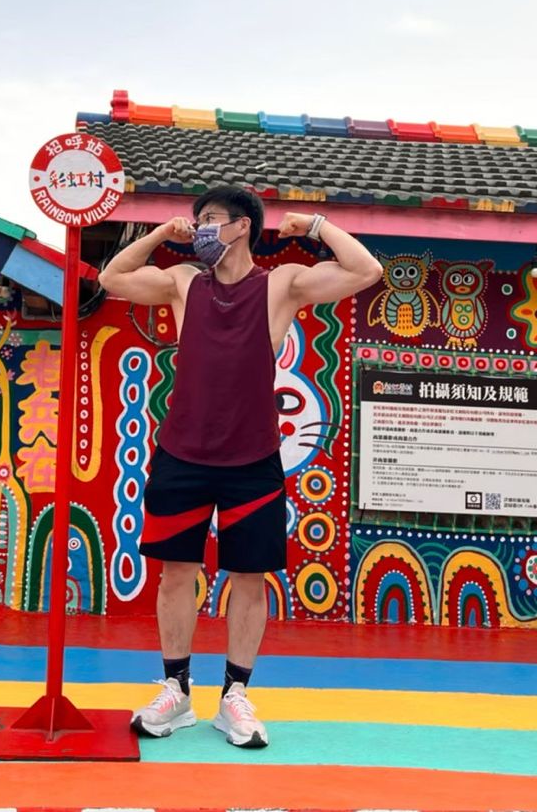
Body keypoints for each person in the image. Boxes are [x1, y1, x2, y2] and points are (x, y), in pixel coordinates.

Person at [98, 185, 382, 748]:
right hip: (182, 453)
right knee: (176, 572)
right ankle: (176, 690)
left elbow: (366, 270)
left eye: (212, 219)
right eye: (197, 220)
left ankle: (235, 696)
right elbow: (112, 278)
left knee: (250, 577)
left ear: (243, 225)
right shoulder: (184, 283)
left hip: (252, 458)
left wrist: (316, 226)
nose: (201, 228)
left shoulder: (281, 284)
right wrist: (161, 234)